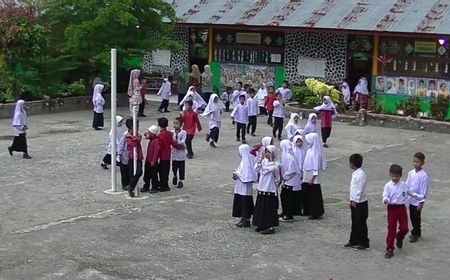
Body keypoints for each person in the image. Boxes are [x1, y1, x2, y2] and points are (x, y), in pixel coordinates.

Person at [382, 164, 424, 258]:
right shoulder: (388, 186)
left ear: (400, 175)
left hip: (401, 208)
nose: (394, 178)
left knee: (405, 228)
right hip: (392, 208)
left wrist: (420, 198)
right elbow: (385, 195)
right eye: (393, 176)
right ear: (390, 175)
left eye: (396, 176)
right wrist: (386, 200)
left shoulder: (404, 185)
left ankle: (399, 237)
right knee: (391, 229)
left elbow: (411, 193)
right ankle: (389, 248)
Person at [253, 145, 281, 234]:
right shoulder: (263, 162)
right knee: (261, 207)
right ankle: (261, 224)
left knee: (269, 208)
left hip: (270, 188)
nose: (267, 154)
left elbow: (277, 178)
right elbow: (257, 169)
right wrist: (260, 161)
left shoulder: (276, 165)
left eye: (269, 152)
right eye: (266, 152)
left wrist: (275, 185)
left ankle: (270, 226)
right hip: (262, 187)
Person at [344, 154, 370, 250]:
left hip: (360, 202)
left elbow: (359, 189)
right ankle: (354, 240)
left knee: (360, 222)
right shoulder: (356, 173)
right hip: (355, 201)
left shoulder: (360, 175)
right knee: (355, 221)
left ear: (352, 164)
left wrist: (355, 200)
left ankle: (363, 242)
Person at [406, 152, 430, 243]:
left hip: (418, 200)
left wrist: (421, 202)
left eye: (418, 162)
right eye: (414, 161)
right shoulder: (411, 173)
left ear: (423, 163)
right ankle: (416, 231)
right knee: (412, 216)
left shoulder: (424, 175)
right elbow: (407, 185)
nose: (416, 163)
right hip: (411, 199)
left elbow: (424, 190)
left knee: (416, 217)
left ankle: (415, 233)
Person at [155, 117, 184, 192]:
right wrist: (180, 147)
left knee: (161, 171)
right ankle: (164, 184)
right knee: (165, 171)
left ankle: (162, 184)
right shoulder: (169, 134)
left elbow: (159, 147)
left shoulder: (159, 135)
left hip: (161, 155)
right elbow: (173, 143)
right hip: (167, 155)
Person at [232, 144, 257, 228]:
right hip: (240, 186)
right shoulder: (245, 161)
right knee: (241, 201)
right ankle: (243, 217)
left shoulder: (247, 162)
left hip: (245, 188)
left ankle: (246, 219)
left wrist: (237, 174)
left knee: (245, 202)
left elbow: (247, 175)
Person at [302, 133, 326, 220]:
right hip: (307, 174)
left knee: (314, 195)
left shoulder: (316, 152)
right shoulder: (310, 149)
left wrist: (313, 177)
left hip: (312, 176)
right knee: (308, 194)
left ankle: (315, 212)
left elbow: (316, 166)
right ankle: (308, 210)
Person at [279, 140, 301, 222]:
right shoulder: (288, 155)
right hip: (289, 180)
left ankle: (288, 214)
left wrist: (284, 177)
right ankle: (285, 212)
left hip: (290, 180)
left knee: (287, 197)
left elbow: (291, 171)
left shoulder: (289, 157)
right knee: (285, 196)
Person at [124, 118, 143, 198]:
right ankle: (131, 187)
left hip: (138, 156)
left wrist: (137, 138)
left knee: (139, 172)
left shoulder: (137, 135)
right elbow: (133, 143)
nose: (137, 129)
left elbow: (139, 139)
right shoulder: (127, 136)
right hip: (131, 157)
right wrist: (136, 138)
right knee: (132, 173)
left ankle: (130, 186)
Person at [140, 125, 160, 193]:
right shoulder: (152, 139)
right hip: (148, 160)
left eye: (149, 132)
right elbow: (145, 135)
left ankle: (155, 187)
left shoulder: (156, 141)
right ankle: (146, 185)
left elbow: (156, 152)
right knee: (147, 174)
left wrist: (154, 161)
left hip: (152, 161)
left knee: (153, 175)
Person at [291, 135, 307, 215]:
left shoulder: (304, 151)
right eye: (297, 141)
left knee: (301, 191)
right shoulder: (293, 151)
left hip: (302, 172)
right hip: (295, 173)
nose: (299, 143)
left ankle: (299, 208)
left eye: (300, 141)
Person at [171, 117, 187, 189]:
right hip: (174, 153)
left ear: (181, 125)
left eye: (177, 123)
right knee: (174, 167)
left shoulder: (183, 132)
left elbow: (183, 141)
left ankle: (181, 181)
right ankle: (175, 176)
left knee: (181, 168)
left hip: (181, 153)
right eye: (174, 123)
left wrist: (176, 143)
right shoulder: (171, 132)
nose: (175, 125)